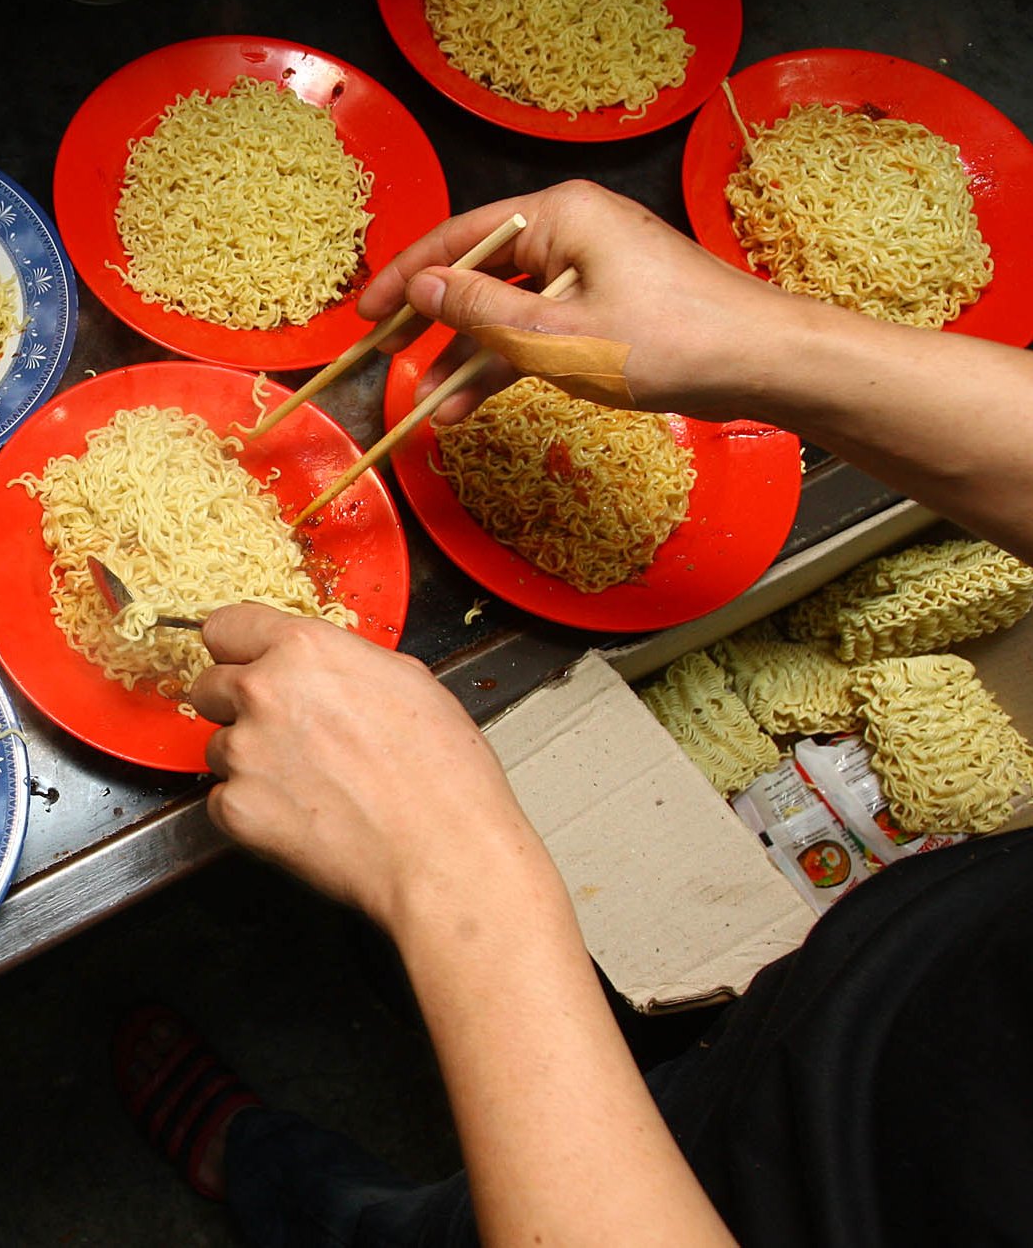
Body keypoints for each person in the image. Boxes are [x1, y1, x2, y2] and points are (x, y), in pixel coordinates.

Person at [116, 181, 1033, 1245]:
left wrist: (450, 874)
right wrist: (761, 342)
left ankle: (269, 1168)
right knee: (448, 1196)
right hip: (783, 1067)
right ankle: (295, 1174)